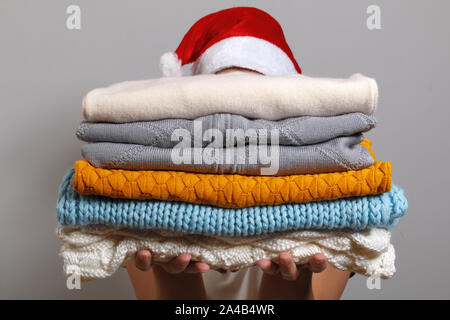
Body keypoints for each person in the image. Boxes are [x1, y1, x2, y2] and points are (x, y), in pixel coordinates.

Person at [127, 7, 352, 300]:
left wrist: (290, 283)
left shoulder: (328, 202)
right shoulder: (147, 199)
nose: (239, 126)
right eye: (221, 103)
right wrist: (175, 280)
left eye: (257, 105)